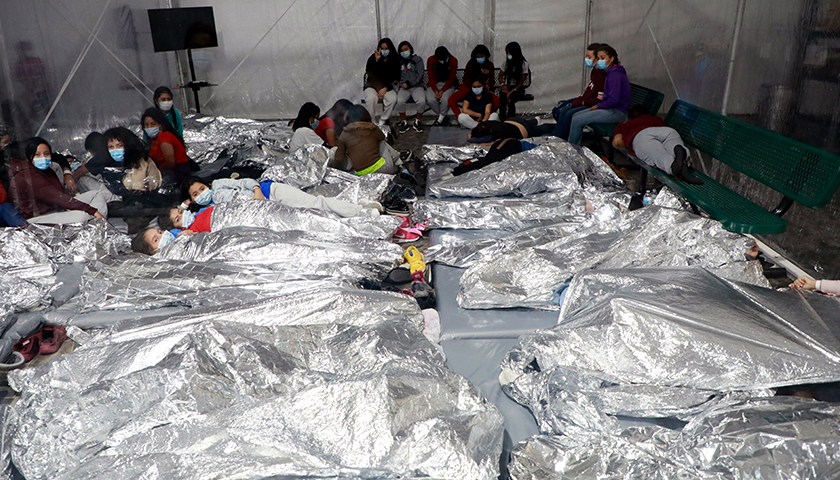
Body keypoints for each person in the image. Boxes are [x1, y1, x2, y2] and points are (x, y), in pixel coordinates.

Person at [182, 175, 380, 218]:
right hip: (268, 212)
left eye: (201, 188)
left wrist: (258, 192)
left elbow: (246, 182)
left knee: (315, 203)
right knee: (313, 216)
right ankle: (357, 206)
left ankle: (362, 211)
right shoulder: (208, 211)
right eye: (195, 194)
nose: (201, 193)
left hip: (271, 193)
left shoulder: (218, 185)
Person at [8, 138, 107, 224]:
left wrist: (68, 193)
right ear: (28, 156)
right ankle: (96, 224)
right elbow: (57, 198)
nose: (43, 158)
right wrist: (91, 211)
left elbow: (59, 195)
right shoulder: (25, 175)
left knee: (95, 195)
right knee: (82, 216)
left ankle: (96, 224)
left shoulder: (47, 170)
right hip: (36, 218)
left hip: (55, 209)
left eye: (46, 154)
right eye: (37, 155)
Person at [612, 105, 703, 185]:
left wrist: (628, 141)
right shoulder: (655, 118)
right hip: (666, 131)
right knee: (671, 143)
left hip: (641, 136)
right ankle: (679, 152)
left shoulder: (625, 125)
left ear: (630, 116)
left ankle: (673, 167)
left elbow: (617, 142)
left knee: (660, 156)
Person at [567, 44, 631, 145]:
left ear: (611, 58)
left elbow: (614, 100)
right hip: (610, 109)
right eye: (598, 58)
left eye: (603, 58)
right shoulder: (611, 73)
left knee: (578, 119)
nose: (600, 61)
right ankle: (573, 146)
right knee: (575, 116)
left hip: (617, 112)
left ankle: (573, 150)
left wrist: (598, 106)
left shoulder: (615, 75)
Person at [550, 43, 606, 140]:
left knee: (567, 112)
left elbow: (599, 98)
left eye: (589, 57)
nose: (587, 59)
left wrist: (583, 102)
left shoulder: (602, 75)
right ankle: (559, 131)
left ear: (597, 59)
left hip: (591, 103)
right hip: (586, 99)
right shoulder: (595, 72)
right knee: (559, 108)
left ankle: (559, 137)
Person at [332, 105, 402, 175]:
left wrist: (332, 168)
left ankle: (398, 161)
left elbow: (339, 159)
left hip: (361, 173)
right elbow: (382, 137)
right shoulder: (372, 128)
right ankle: (399, 162)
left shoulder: (343, 135)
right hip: (383, 168)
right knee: (381, 142)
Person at [104, 126, 162, 192]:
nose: (115, 149)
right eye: (111, 147)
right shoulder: (116, 165)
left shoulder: (139, 162)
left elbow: (138, 189)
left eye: (120, 145)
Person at [448, 44, 499, 117]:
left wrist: (487, 85)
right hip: (469, 87)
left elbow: (492, 80)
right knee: (451, 100)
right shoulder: (471, 63)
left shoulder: (489, 65)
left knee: (497, 101)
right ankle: (460, 118)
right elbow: (465, 78)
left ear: (486, 55)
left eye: (481, 56)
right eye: (478, 57)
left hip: (483, 88)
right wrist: (473, 85)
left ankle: (486, 117)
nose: (479, 58)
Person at [141, 107, 190, 181]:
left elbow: (170, 162)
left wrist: (156, 172)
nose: (149, 127)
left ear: (160, 125)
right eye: (146, 125)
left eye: (153, 124)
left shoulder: (164, 136)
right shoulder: (152, 140)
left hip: (177, 174)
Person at [363, 38, 401, 126]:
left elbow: (395, 76)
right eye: (382, 48)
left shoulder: (394, 59)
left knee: (392, 99)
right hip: (372, 86)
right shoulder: (373, 58)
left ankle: (383, 120)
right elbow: (370, 73)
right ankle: (372, 121)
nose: (384, 51)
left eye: (386, 48)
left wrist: (385, 87)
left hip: (386, 87)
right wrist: (377, 61)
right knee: (371, 98)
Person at [453, 138, 539, 176]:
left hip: (502, 144)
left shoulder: (524, 144)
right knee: (488, 161)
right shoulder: (528, 146)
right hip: (510, 146)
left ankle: (462, 167)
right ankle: (460, 169)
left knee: (486, 160)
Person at [394, 41, 426, 134]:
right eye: (402, 50)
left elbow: (419, 75)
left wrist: (409, 83)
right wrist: (399, 84)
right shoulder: (398, 61)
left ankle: (417, 120)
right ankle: (404, 122)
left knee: (421, 101)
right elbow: (395, 75)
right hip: (403, 87)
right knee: (400, 101)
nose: (404, 52)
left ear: (410, 49)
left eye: (406, 49)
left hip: (416, 86)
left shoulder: (417, 60)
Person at [425, 46, 458, 126]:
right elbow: (431, 77)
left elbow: (451, 78)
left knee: (445, 99)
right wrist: (436, 91)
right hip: (434, 84)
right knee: (430, 99)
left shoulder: (453, 61)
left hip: (448, 84)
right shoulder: (431, 60)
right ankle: (444, 116)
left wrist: (443, 90)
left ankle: (440, 120)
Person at [498, 42, 529, 120]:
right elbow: (500, 76)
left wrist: (512, 91)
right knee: (503, 98)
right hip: (508, 86)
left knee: (510, 99)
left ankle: (511, 120)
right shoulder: (506, 63)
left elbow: (522, 81)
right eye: (507, 53)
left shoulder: (524, 64)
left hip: (518, 88)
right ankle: (502, 119)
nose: (508, 55)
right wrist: (503, 85)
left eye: (509, 53)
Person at [467, 117, 553, 143]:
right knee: (530, 121)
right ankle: (534, 120)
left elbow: (493, 144)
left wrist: (478, 144)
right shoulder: (482, 124)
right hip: (512, 120)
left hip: (524, 129)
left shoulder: (498, 134)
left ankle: (558, 124)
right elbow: (469, 135)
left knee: (541, 129)